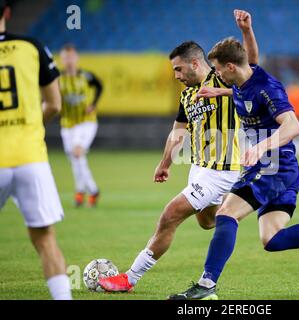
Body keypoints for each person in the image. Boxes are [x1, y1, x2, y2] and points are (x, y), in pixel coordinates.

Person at [168, 10, 299, 300]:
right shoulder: (241, 80)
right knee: (272, 240)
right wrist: (246, 32)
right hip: (284, 171)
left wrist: (260, 146)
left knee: (227, 214)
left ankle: (206, 286)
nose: (215, 74)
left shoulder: (267, 88)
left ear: (230, 67)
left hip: (272, 166)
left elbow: (294, 125)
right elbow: (249, 59)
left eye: (218, 69)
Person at [98, 38, 248, 292]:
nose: (176, 75)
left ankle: (129, 279)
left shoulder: (223, 78)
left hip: (221, 170)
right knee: (206, 222)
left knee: (170, 215)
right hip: (199, 168)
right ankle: (234, 211)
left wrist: (245, 32)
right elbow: (178, 132)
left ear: (194, 63)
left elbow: (252, 82)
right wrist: (165, 162)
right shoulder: (187, 95)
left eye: (178, 69)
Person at [0, 0, 72, 300]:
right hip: (31, 156)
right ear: (6, 13)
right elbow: (55, 104)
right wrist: (30, 126)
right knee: (45, 240)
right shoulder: (31, 46)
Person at [59, 44, 102, 207]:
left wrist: (93, 104)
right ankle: (89, 190)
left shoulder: (85, 76)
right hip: (67, 123)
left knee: (77, 153)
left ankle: (85, 191)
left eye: (71, 57)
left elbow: (99, 85)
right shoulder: (58, 78)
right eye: (65, 57)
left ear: (76, 58)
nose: (69, 60)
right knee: (75, 158)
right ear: (61, 59)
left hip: (86, 122)